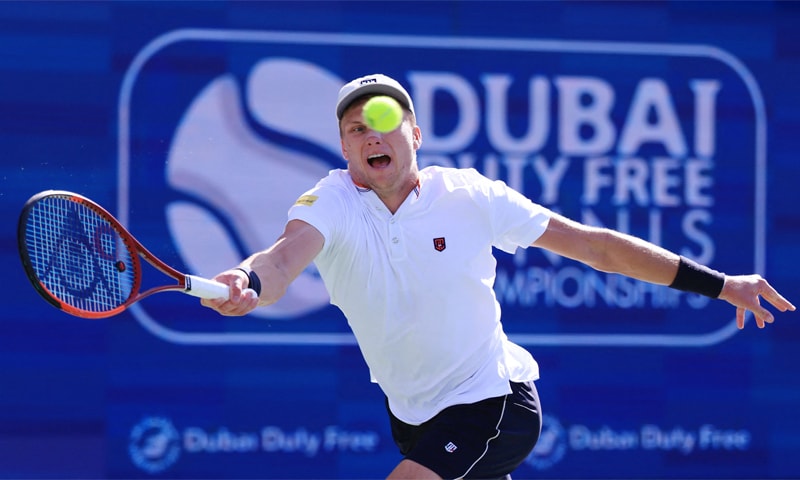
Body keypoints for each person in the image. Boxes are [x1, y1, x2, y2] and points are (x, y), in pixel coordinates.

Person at [201, 73, 795, 479]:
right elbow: (281, 258)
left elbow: (596, 248)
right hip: (411, 414)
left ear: (415, 134)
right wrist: (249, 282)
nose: (370, 134)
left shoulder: (470, 197)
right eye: (356, 128)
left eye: (384, 120)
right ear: (344, 147)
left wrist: (720, 284)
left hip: (495, 400)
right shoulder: (329, 201)